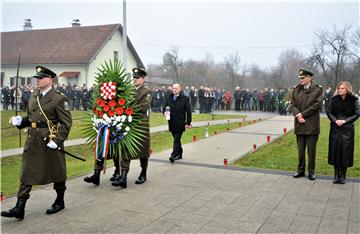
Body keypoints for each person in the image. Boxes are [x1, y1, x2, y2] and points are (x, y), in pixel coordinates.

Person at [1, 66, 72, 220]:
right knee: (26, 172)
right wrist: (20, 121)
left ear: (50, 80)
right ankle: (19, 207)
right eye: (37, 78)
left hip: (49, 141)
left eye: (41, 78)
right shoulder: (34, 96)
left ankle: (60, 201)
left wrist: (57, 141)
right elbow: (31, 119)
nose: (37, 80)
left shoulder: (59, 99)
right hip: (33, 140)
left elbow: (66, 123)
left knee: (57, 171)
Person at [111, 67, 151, 188]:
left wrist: (127, 109)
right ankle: (123, 177)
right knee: (125, 150)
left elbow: (143, 107)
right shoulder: (129, 91)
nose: (135, 80)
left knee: (143, 152)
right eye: (134, 78)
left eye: (137, 78)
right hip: (129, 125)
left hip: (141, 125)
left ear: (143, 79)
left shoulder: (146, 92)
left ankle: (143, 173)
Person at [291, 69, 323, 180]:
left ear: (309, 77)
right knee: (300, 151)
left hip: (311, 124)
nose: (301, 80)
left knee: (311, 151)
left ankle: (311, 172)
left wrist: (302, 115)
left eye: (303, 78)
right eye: (300, 78)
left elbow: (317, 105)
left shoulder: (317, 89)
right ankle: (300, 170)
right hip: (300, 124)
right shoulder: (296, 90)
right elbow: (292, 104)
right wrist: (298, 115)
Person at [326, 81, 359, 184]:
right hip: (335, 128)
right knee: (335, 151)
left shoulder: (353, 100)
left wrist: (345, 121)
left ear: (347, 89)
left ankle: (343, 175)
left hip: (347, 129)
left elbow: (357, 113)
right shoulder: (333, 99)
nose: (340, 90)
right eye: (339, 88)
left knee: (346, 152)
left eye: (342, 88)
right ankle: (336, 175)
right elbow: (329, 111)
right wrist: (335, 120)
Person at [163, 83, 192, 163]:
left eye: (176, 88)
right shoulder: (169, 97)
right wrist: (164, 113)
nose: (174, 90)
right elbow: (165, 108)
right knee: (177, 140)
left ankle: (173, 155)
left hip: (180, 123)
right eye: (173, 88)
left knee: (176, 139)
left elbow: (189, 112)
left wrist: (188, 122)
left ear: (179, 89)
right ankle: (180, 153)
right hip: (171, 122)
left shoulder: (185, 99)